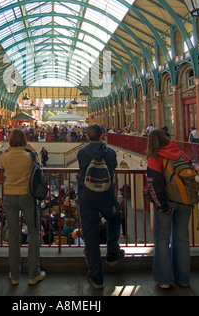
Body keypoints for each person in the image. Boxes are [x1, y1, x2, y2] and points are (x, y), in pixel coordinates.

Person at [77, 123, 124, 289]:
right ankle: (112, 251)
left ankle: (96, 277)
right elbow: (112, 168)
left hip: (87, 198)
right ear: (102, 135)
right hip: (107, 196)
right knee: (115, 217)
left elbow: (82, 170)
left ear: (88, 136)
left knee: (90, 236)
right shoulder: (110, 152)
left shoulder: (82, 152)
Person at [146, 129, 194, 289]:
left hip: (167, 202)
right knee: (182, 239)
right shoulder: (180, 153)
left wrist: (161, 207)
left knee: (162, 239)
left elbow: (155, 184)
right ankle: (183, 279)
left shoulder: (155, 157)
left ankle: (164, 280)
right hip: (185, 202)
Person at [0, 128, 46, 286]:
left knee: (13, 235)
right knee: (33, 233)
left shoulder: (4, 157)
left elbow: (2, 167)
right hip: (27, 197)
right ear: (25, 140)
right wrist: (32, 148)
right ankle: (34, 274)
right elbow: (39, 165)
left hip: (9, 197)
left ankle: (14, 275)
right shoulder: (30, 156)